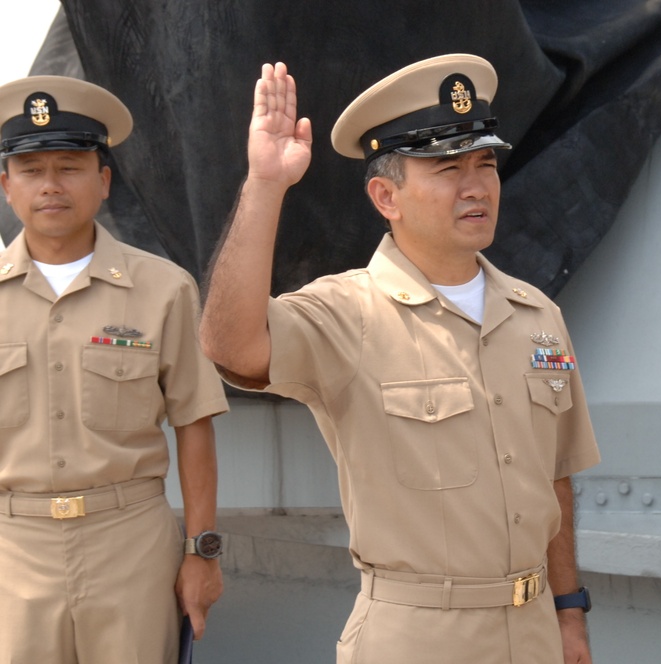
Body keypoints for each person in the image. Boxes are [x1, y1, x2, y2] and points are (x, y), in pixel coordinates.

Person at [200, 55, 601, 663]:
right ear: (386, 195)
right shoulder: (347, 313)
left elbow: (555, 477)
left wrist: (569, 613)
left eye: (485, 163)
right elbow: (230, 346)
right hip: (418, 636)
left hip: (536, 629)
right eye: (447, 168)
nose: (476, 186)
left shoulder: (537, 315)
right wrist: (265, 185)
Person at [0, 75, 229, 663]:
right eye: (31, 170)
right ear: (6, 186)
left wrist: (201, 552)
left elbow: (194, 423)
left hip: (129, 543)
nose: (51, 185)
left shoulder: (163, 290)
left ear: (104, 181)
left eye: (70, 166)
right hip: (12, 550)